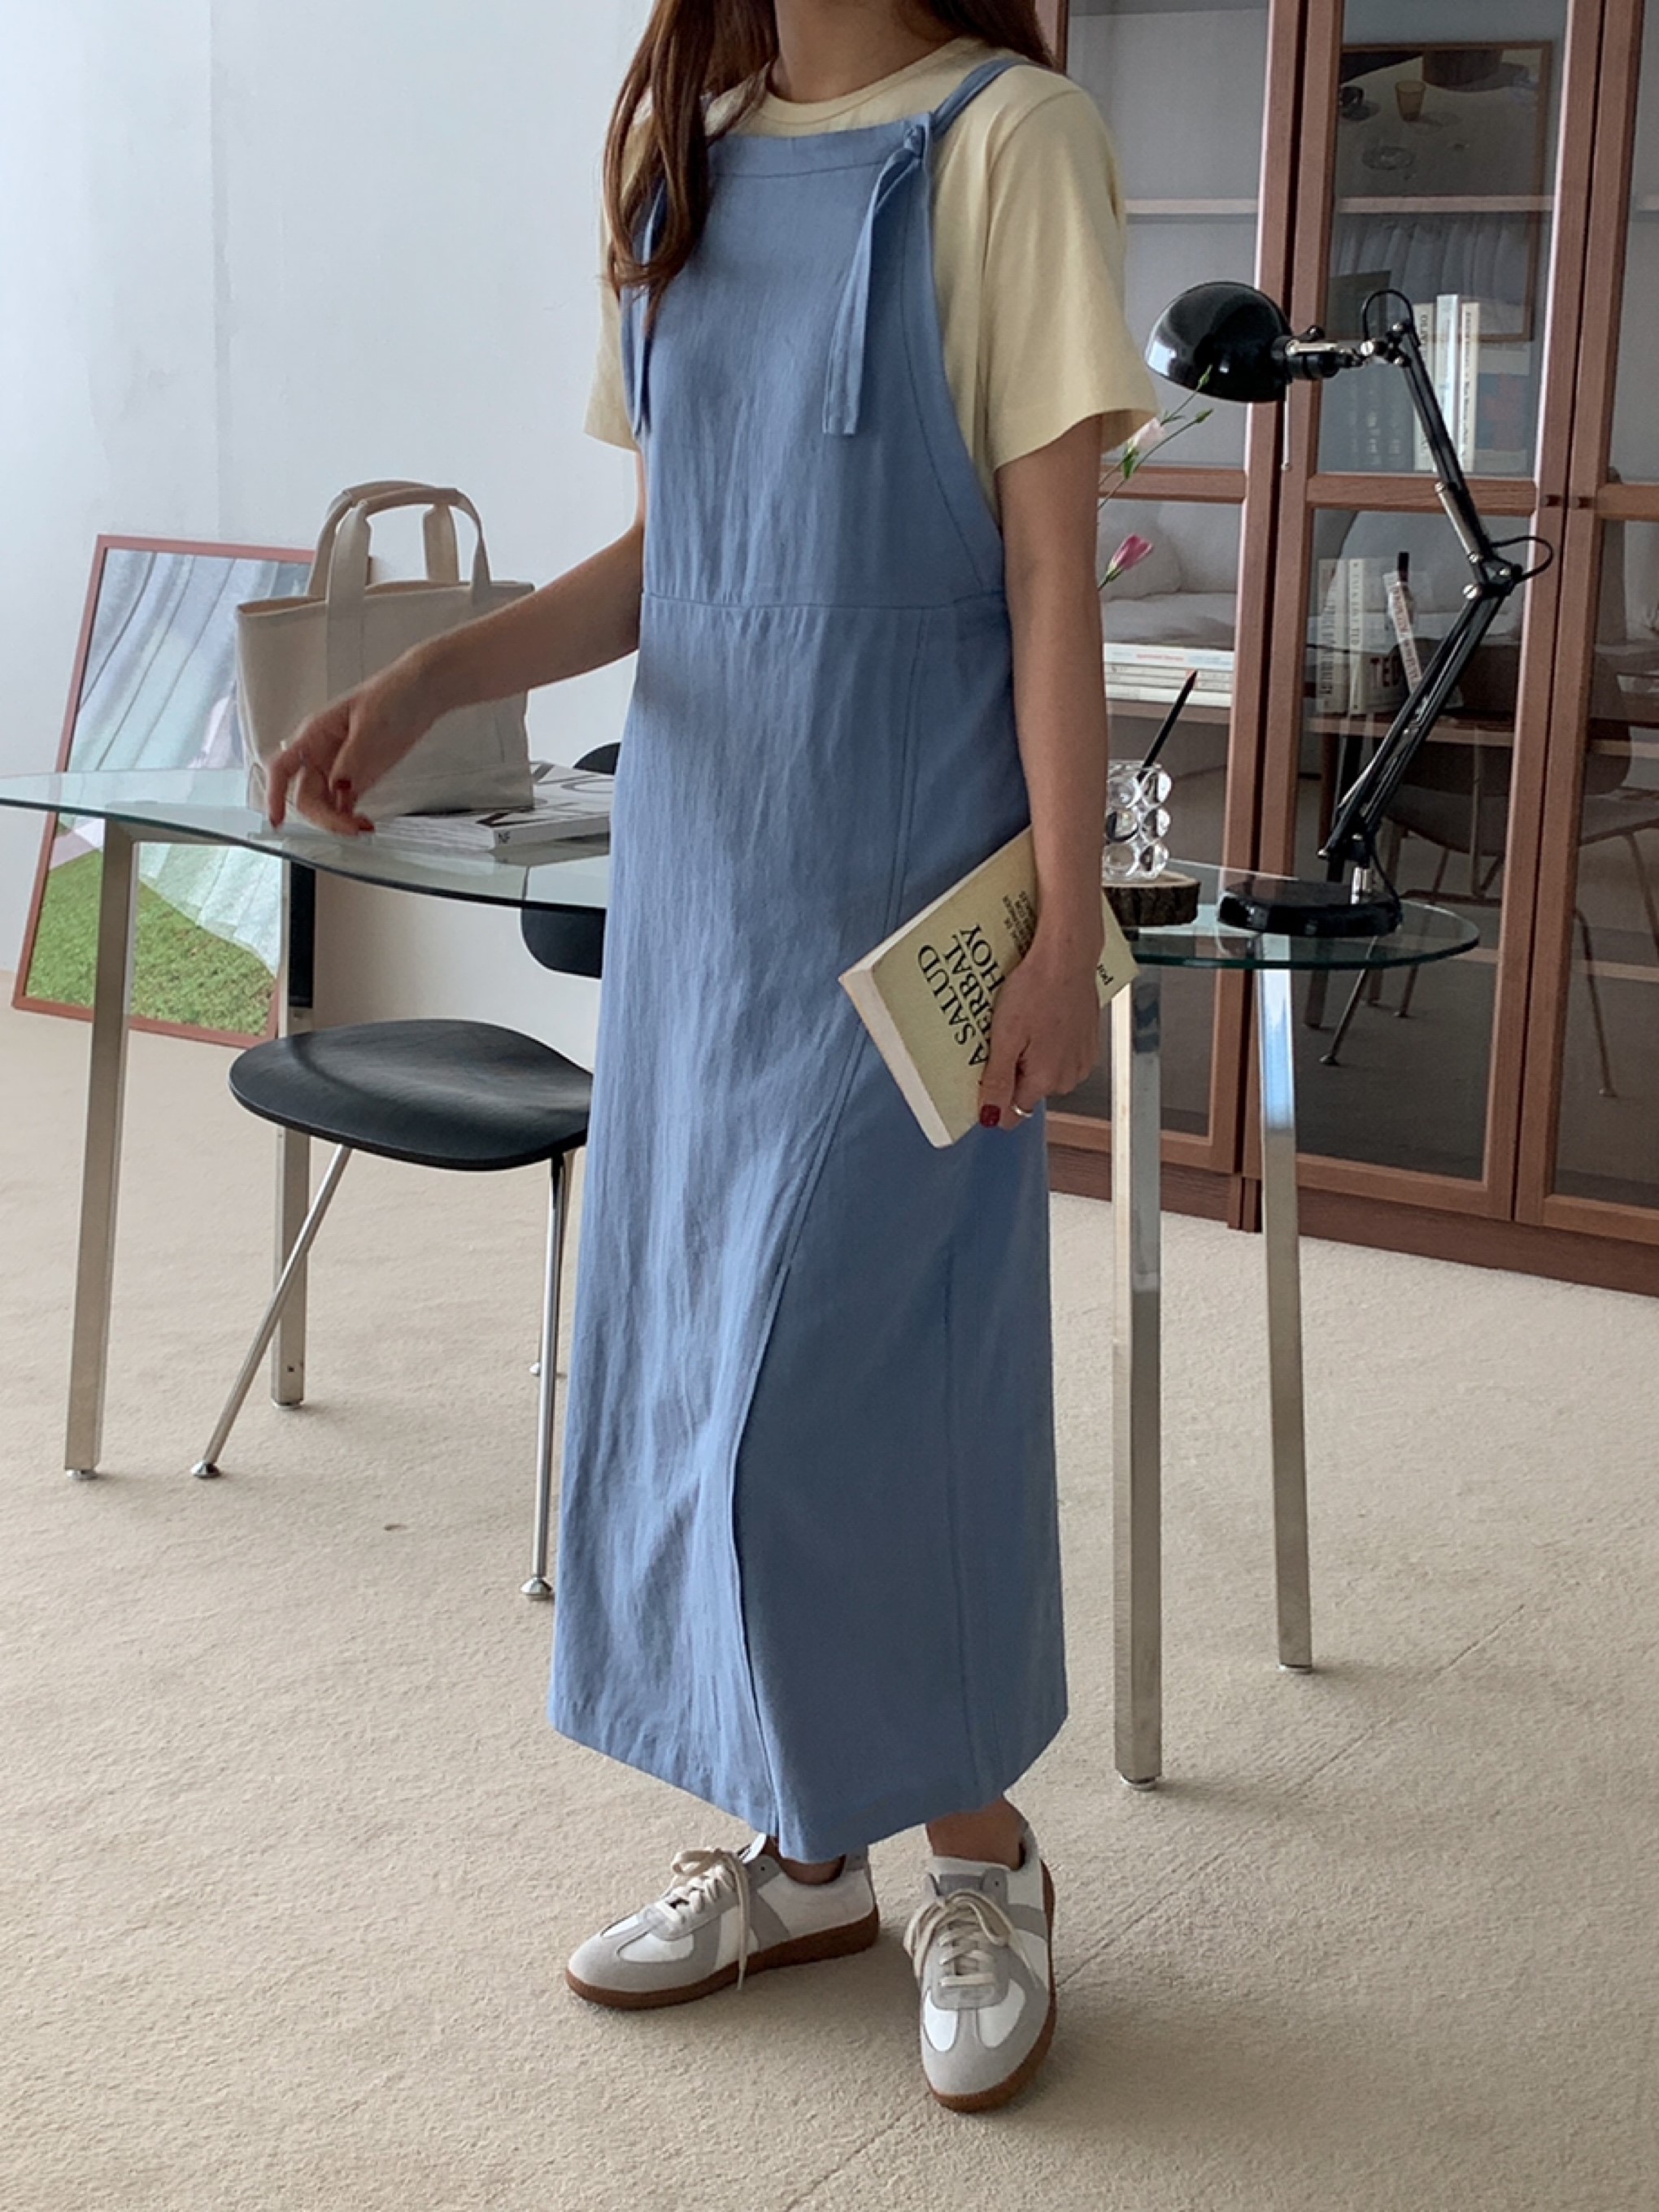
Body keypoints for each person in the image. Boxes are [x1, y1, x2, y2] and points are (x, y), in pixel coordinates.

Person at [265, 0, 1155, 2114]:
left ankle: (981, 1857)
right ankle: (808, 1848)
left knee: (849, 1385)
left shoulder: (1011, 143)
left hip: (907, 884)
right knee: (688, 1386)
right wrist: (430, 677)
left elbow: (1050, 569)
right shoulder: (687, 155)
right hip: (706, 882)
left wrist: (1061, 916)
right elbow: (681, 555)